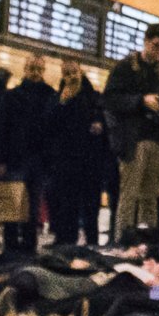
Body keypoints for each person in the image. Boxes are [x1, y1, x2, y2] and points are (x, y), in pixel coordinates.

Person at [103, 22, 159, 242]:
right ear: (146, 42)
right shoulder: (126, 67)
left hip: (157, 137)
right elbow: (110, 99)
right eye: (156, 46)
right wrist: (141, 101)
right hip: (133, 139)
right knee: (129, 194)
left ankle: (147, 241)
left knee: (151, 195)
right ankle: (123, 241)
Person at [0, 56, 59, 254]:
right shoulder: (12, 96)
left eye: (39, 68)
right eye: (32, 67)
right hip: (16, 158)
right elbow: (2, 129)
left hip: (39, 159)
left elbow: (54, 132)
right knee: (13, 204)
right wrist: (1, 159)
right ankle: (11, 245)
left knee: (32, 206)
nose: (35, 71)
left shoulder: (51, 96)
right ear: (25, 68)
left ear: (43, 70)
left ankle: (29, 246)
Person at [44, 63, 113, 247]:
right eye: (67, 74)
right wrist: (63, 103)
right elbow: (49, 126)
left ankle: (92, 243)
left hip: (90, 161)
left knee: (90, 206)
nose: (71, 77)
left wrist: (99, 125)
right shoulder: (58, 98)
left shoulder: (94, 97)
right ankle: (66, 241)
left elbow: (105, 123)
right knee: (67, 205)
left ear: (81, 72)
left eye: (74, 72)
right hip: (66, 161)